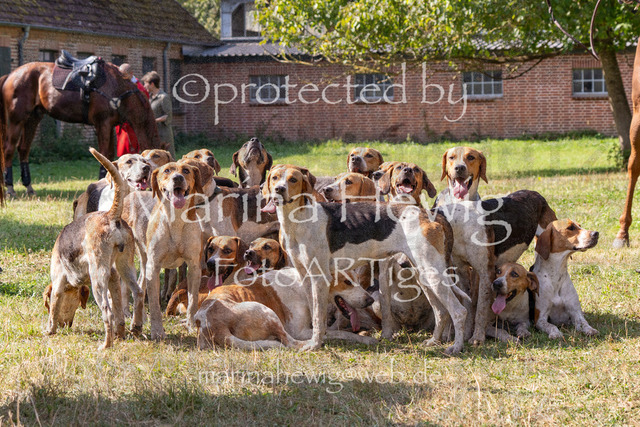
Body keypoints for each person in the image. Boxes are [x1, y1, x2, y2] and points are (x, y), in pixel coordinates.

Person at [115, 64, 149, 156]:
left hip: (132, 126)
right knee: (122, 154)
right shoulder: (121, 86)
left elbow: (144, 107)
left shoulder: (140, 88)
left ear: (131, 73)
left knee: (131, 154)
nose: (121, 78)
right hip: (122, 125)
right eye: (120, 75)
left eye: (123, 75)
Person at [142, 71, 175, 158]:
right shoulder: (149, 97)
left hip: (163, 133)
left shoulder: (164, 97)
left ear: (152, 84)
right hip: (153, 133)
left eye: (145, 83)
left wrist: (154, 121)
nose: (144, 86)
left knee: (167, 157)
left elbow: (168, 116)